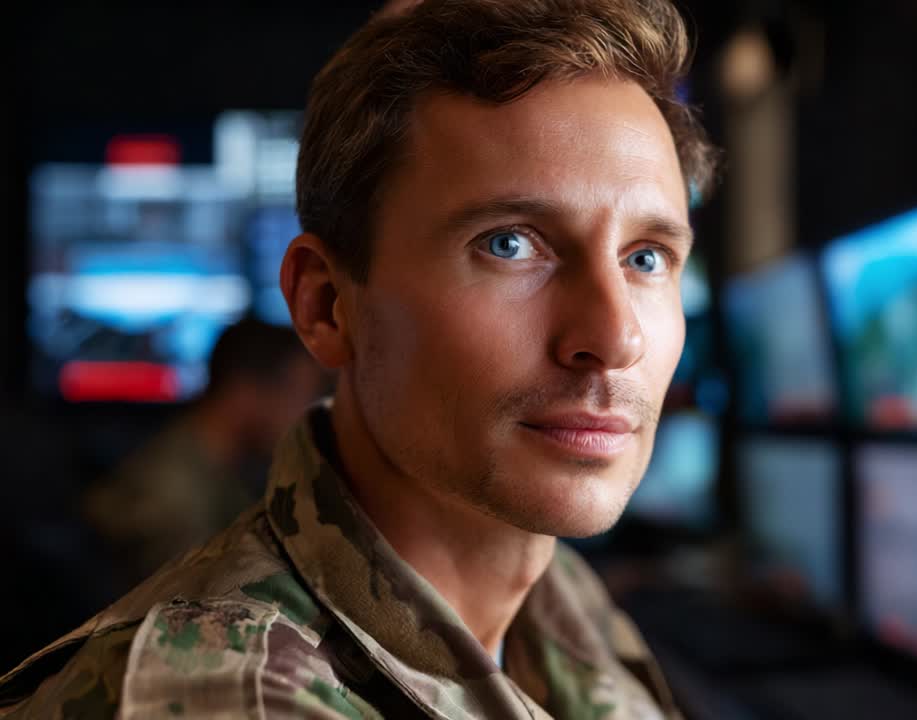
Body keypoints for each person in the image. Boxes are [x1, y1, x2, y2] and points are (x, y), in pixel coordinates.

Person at [0, 0, 717, 717]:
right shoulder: (232, 700)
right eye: (509, 244)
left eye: (646, 257)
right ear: (326, 307)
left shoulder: (557, 592)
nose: (616, 337)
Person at [82, 318, 331, 589]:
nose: (306, 417)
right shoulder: (173, 496)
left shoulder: (220, 469)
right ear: (244, 393)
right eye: (300, 397)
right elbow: (189, 612)